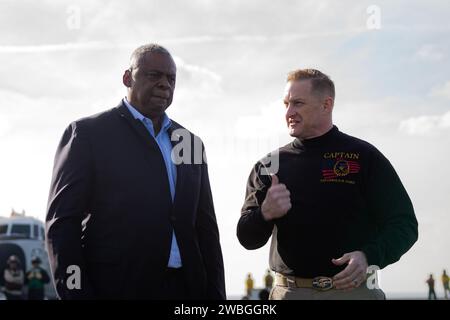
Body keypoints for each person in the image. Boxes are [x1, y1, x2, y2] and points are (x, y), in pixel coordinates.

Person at [46, 44, 225, 300]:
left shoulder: (191, 143)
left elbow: (206, 229)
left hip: (187, 291)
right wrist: (77, 294)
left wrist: (217, 295)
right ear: (128, 78)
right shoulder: (87, 135)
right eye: (154, 75)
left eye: (171, 78)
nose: (165, 84)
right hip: (116, 289)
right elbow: (62, 224)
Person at [237, 69, 418, 300]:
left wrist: (369, 256)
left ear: (326, 104)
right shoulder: (270, 165)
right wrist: (264, 214)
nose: (289, 112)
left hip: (354, 292)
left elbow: (404, 225)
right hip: (291, 293)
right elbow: (246, 238)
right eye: (286, 104)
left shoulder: (364, 157)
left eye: (298, 103)